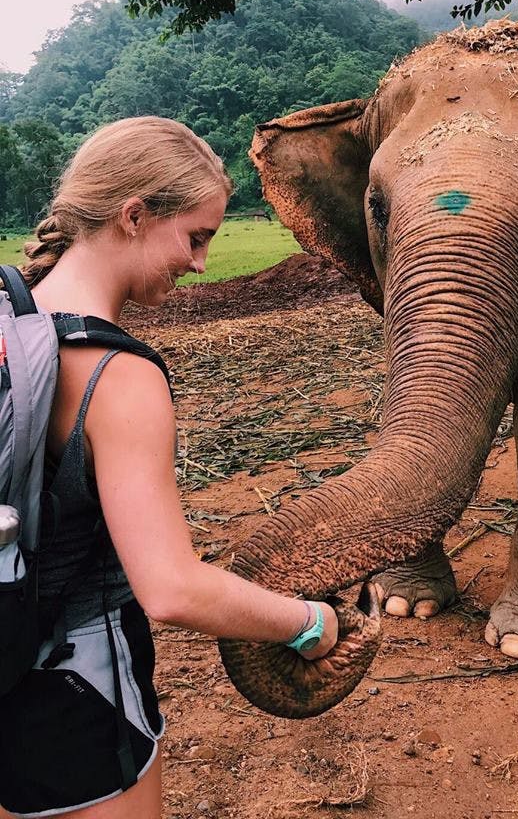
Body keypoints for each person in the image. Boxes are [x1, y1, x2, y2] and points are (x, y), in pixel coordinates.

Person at [0, 117, 338, 819]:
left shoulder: (9, 322)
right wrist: (309, 622)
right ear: (133, 215)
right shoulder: (117, 376)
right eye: (196, 236)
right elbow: (172, 589)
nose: (202, 263)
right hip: (81, 702)